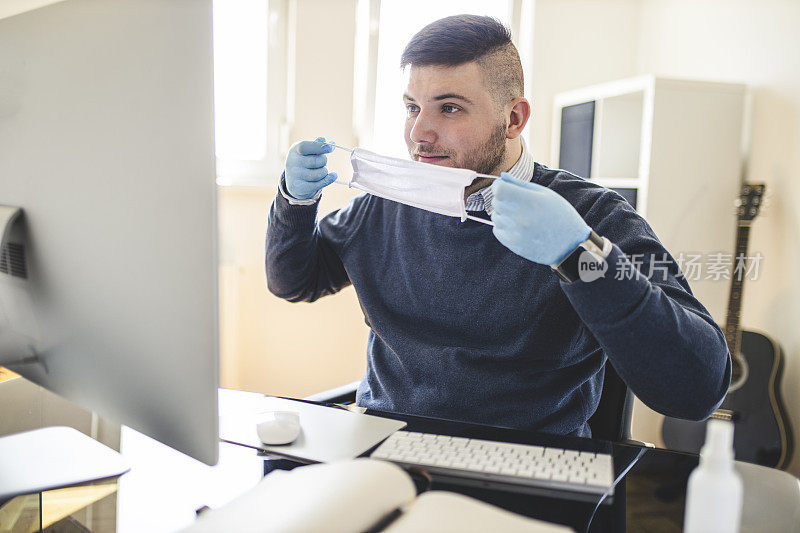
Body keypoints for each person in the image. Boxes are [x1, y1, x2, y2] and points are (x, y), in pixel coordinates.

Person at [265, 15, 730, 437]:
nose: (418, 133)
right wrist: (293, 201)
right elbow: (293, 282)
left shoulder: (593, 217)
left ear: (513, 119)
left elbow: (697, 391)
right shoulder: (384, 206)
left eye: (448, 108)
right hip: (390, 452)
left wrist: (581, 256)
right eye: (412, 107)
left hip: (530, 464)